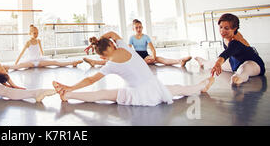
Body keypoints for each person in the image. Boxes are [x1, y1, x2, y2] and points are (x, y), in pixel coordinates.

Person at [52, 32, 215, 106]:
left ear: (102, 56)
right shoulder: (124, 46)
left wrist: (71, 86)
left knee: (101, 95)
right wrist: (99, 39)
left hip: (137, 92)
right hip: (151, 88)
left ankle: (69, 94)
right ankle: (202, 85)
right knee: (180, 89)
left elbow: (90, 80)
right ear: (111, 44)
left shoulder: (110, 64)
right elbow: (112, 34)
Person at [195, 13, 265, 86]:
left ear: (234, 29)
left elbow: (227, 53)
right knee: (214, 63)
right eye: (221, 27)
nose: (222, 31)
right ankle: (203, 62)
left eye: (226, 28)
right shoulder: (228, 35)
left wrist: (219, 63)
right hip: (235, 62)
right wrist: (217, 63)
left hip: (253, 63)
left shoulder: (236, 41)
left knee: (244, 68)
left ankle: (238, 78)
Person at [4, 25, 82, 70]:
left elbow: (41, 52)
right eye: (34, 33)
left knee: (55, 62)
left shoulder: (39, 41)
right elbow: (21, 54)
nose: (36, 34)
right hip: (31, 61)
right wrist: (16, 63)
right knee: (19, 66)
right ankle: (6, 67)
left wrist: (44, 59)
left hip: (39, 60)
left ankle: (72, 63)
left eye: (37, 33)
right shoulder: (28, 42)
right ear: (30, 33)